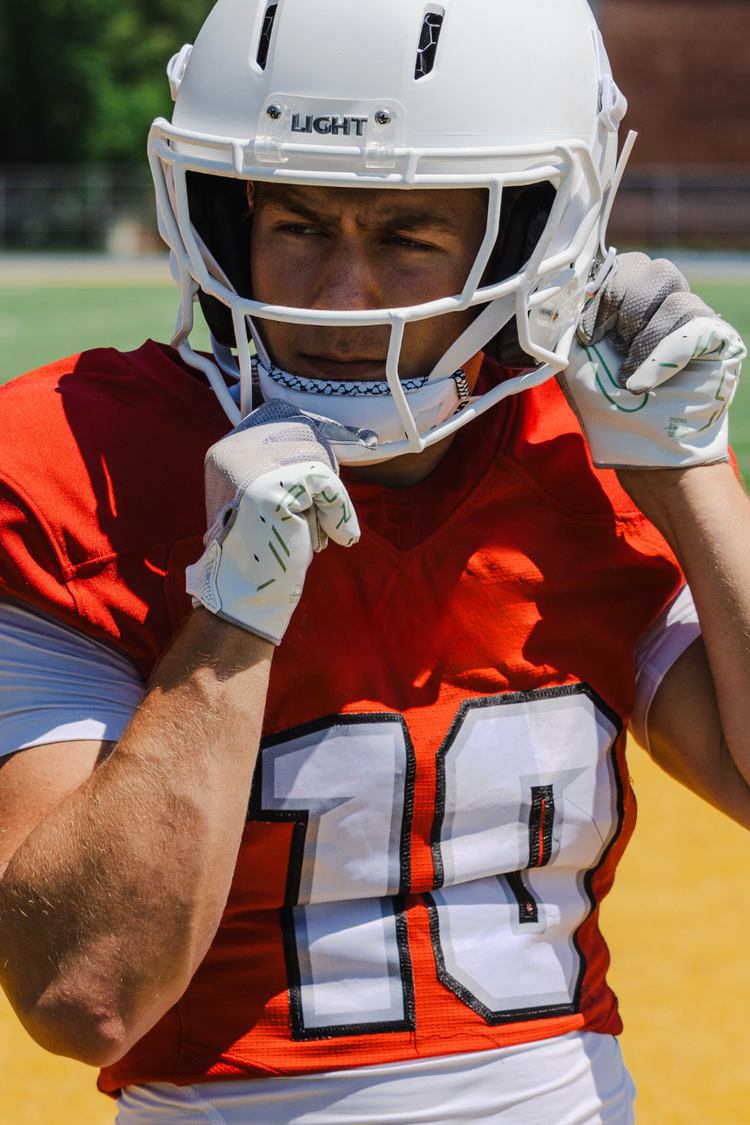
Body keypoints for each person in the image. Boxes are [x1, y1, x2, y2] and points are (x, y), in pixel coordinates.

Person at [0, 1, 748, 1123]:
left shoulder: (578, 460)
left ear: (530, 241)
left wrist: (692, 473)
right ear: (215, 212)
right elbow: (83, 996)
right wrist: (230, 623)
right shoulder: (85, 465)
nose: (338, 300)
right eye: (295, 224)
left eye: (407, 237)